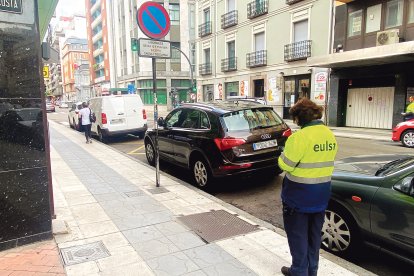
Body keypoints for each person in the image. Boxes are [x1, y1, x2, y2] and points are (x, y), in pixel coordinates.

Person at [278, 98, 338, 276]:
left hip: (298, 197)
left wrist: (281, 154)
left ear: (299, 118)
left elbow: (286, 165)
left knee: (298, 237)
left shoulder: (298, 137)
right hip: (321, 195)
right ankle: (312, 270)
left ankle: (299, 271)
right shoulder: (329, 134)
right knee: (314, 235)